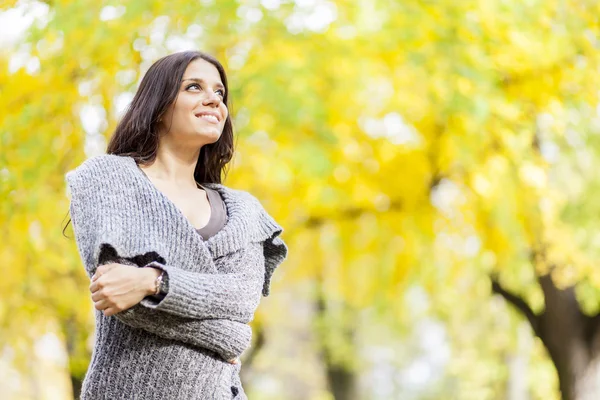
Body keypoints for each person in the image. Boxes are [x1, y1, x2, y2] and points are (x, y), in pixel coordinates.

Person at [64, 51, 288, 399]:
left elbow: (242, 297)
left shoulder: (244, 211)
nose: (213, 99)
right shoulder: (107, 179)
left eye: (219, 93)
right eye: (194, 87)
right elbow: (117, 296)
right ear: (158, 105)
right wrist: (229, 337)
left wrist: (154, 281)